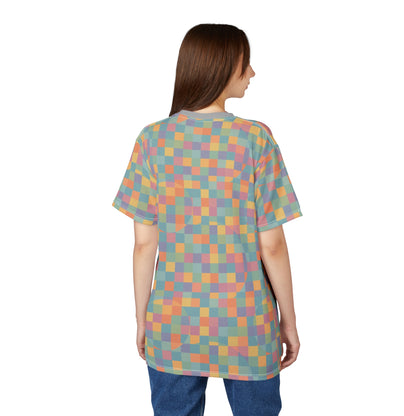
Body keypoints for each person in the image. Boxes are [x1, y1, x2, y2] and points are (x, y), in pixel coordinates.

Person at [112, 23, 303, 416]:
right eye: (246, 63)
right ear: (224, 65)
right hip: (247, 323)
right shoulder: (256, 140)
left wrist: (143, 318)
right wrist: (289, 321)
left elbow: (144, 245)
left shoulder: (152, 140)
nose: (252, 73)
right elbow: (272, 245)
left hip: (173, 322)